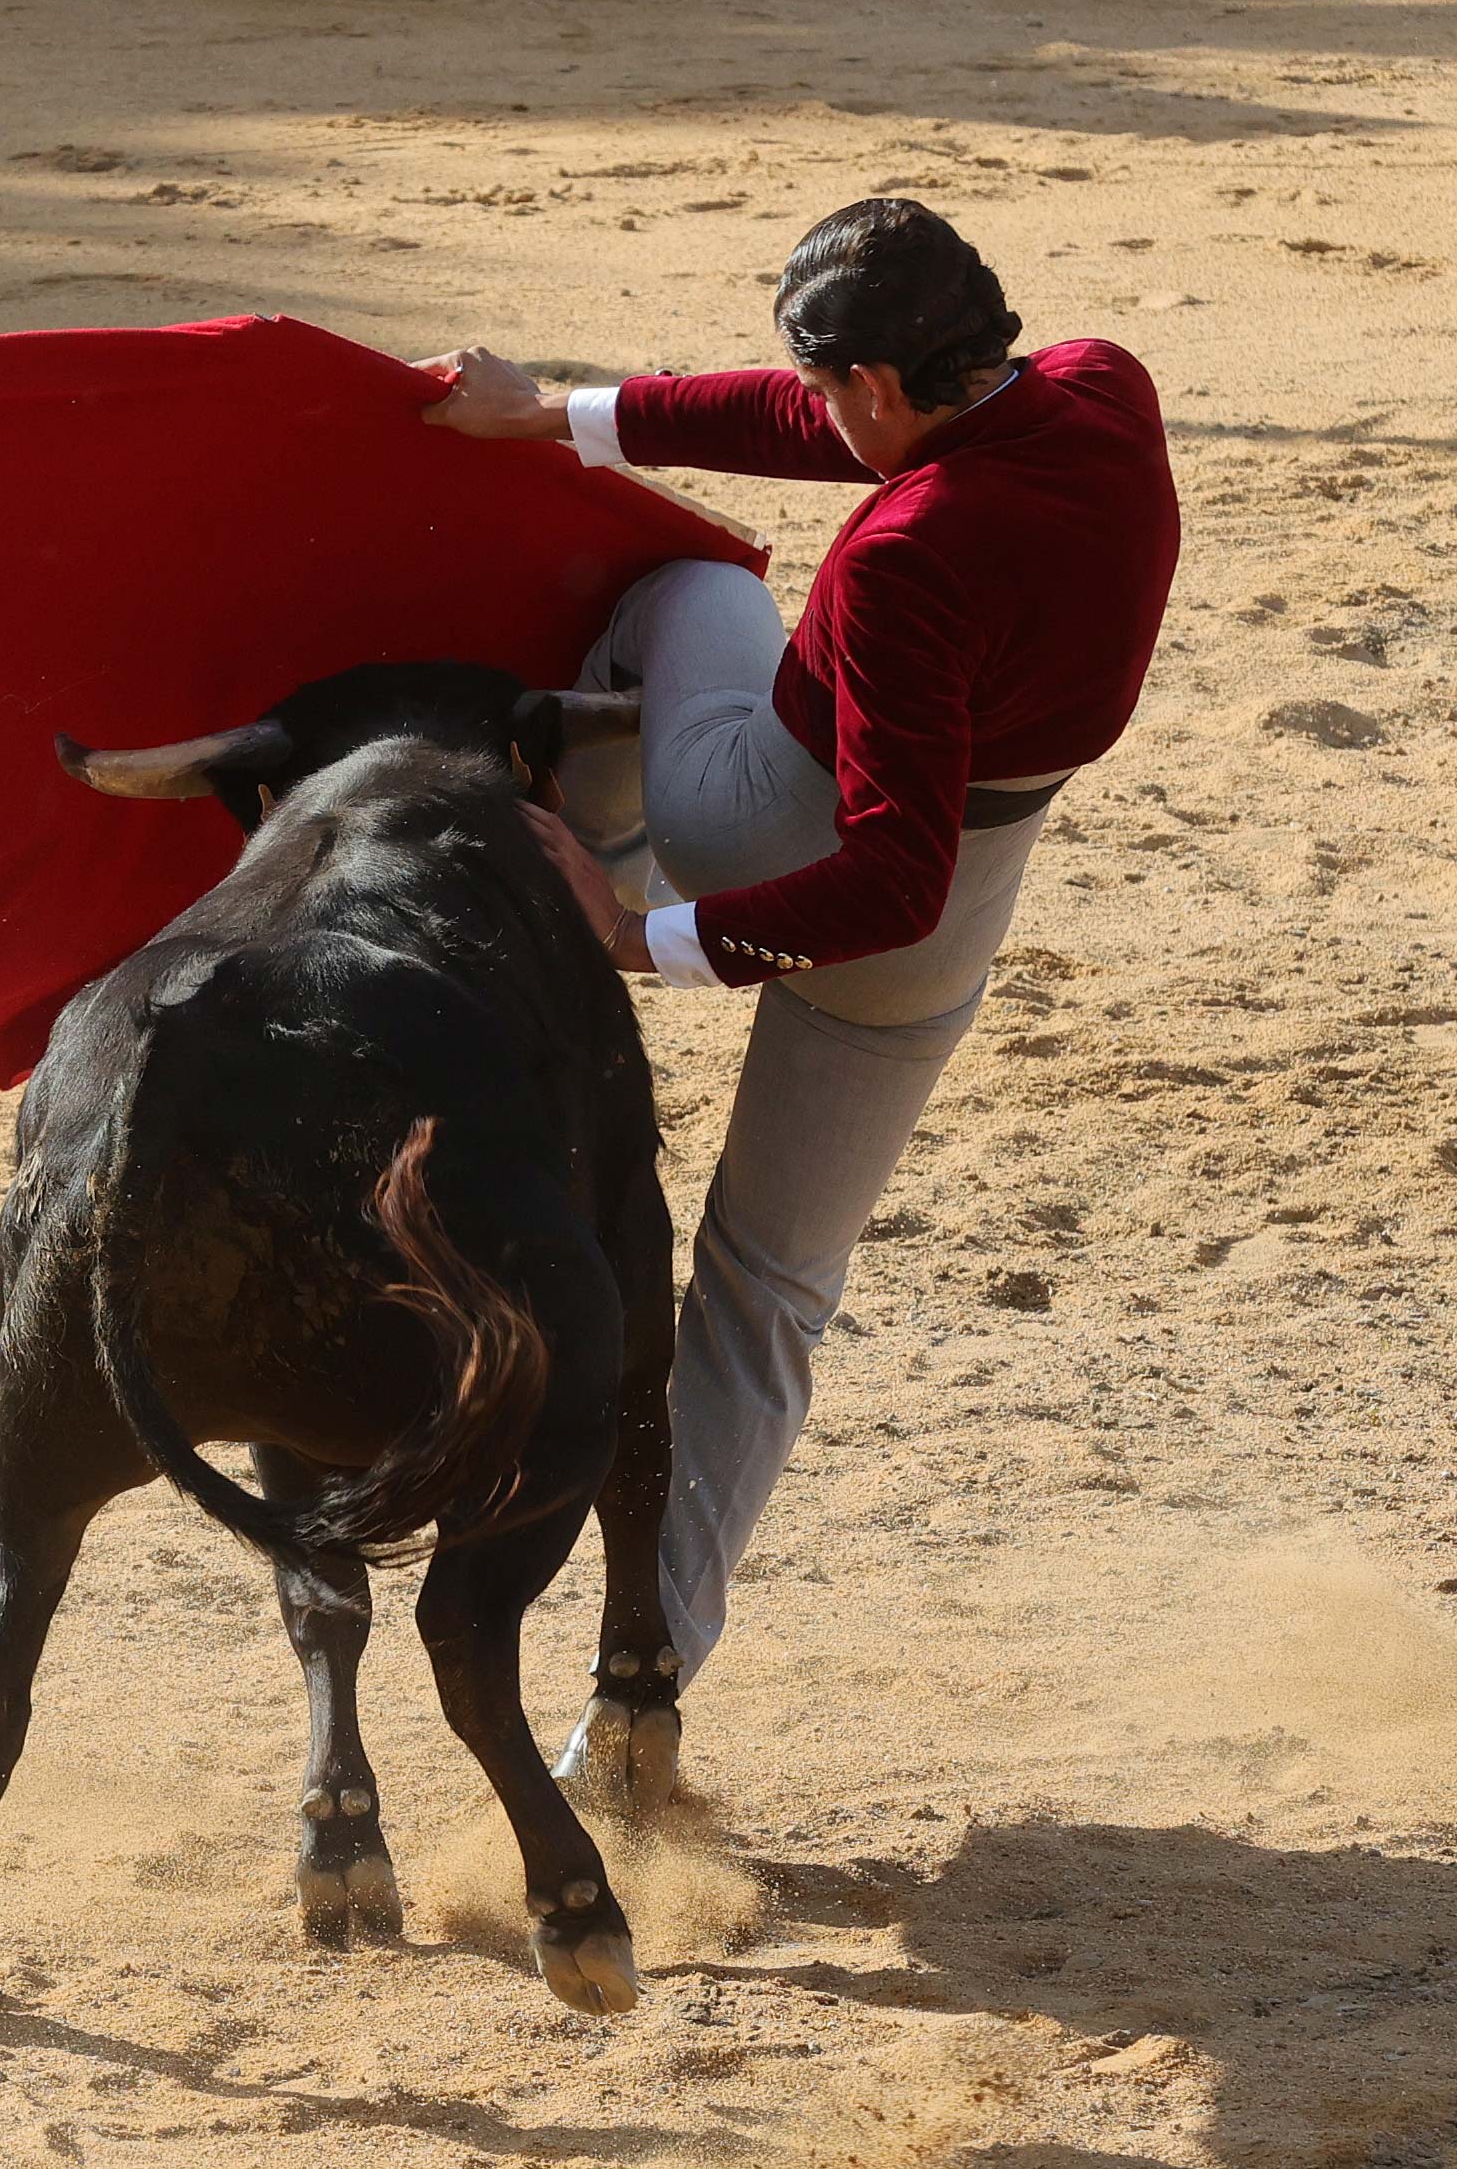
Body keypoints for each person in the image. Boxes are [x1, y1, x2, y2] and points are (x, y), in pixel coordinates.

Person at [418, 197, 1179, 1697]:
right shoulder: (1101, 385)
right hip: (949, 925)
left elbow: (874, 867)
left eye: (835, 388)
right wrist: (560, 413)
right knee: (767, 1286)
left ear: (882, 388)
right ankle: (650, 1664)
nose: (823, 412)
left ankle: (556, 895)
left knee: (685, 591)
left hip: (779, 833)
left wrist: (640, 939)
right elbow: (820, 421)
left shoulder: (909, 552)